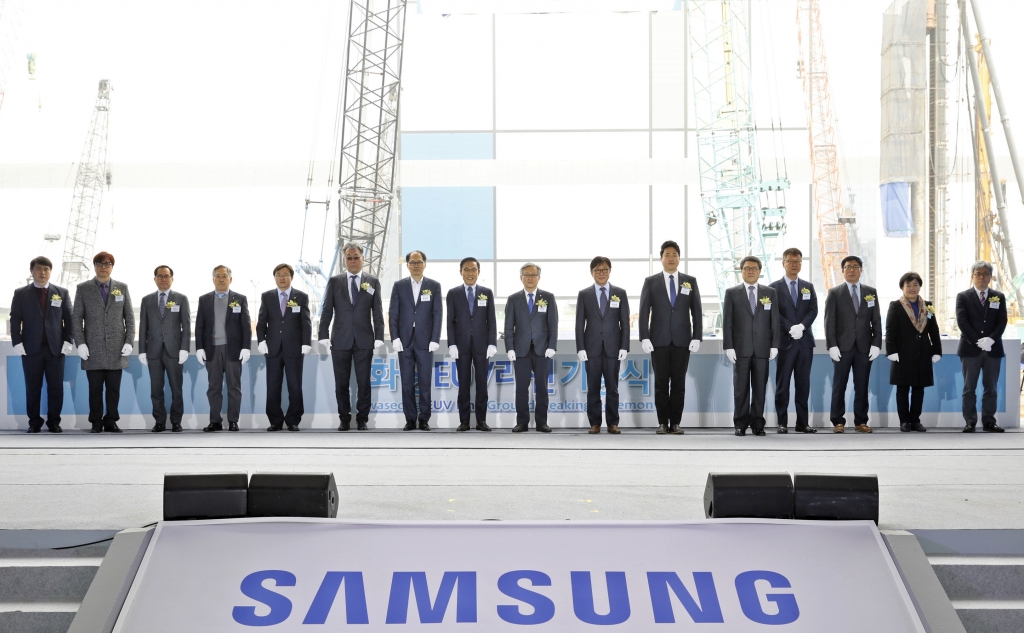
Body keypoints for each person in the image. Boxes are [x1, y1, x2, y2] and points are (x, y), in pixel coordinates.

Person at [318, 243, 385, 431]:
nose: (353, 260)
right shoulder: (334, 281)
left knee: (364, 383)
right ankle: (344, 419)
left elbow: (377, 311)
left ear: (363, 258)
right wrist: (323, 333)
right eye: (349, 257)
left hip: (364, 340)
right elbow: (326, 310)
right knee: (341, 383)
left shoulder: (372, 281)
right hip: (340, 340)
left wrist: (379, 335)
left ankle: (362, 419)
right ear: (344, 259)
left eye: (356, 257)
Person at [638, 240, 702, 435]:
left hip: (683, 341)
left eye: (674, 255)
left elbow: (696, 311)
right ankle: (662, 423)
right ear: (661, 258)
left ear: (679, 258)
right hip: (658, 341)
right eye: (667, 255)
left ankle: (675, 423)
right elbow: (643, 311)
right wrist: (644, 337)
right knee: (661, 383)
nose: (671, 258)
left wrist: (697, 336)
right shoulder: (651, 282)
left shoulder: (690, 281)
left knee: (679, 384)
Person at [72, 252, 135, 433]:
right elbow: (76, 318)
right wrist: (81, 343)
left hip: (117, 349)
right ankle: (96, 422)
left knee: (114, 389)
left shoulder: (122, 288)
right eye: (99, 263)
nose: (103, 267)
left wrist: (129, 341)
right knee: (95, 389)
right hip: (93, 348)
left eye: (107, 264)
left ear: (112, 267)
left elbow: (130, 317)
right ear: (94, 266)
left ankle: (111, 420)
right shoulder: (83, 288)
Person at [10, 256, 74, 433]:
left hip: (56, 349)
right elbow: (15, 319)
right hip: (30, 349)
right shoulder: (21, 293)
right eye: (38, 269)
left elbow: (69, 319)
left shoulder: (62, 292)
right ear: (32, 271)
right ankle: (34, 423)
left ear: (50, 271)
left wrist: (68, 340)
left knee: (56, 388)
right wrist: (17, 342)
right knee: (32, 388)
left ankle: (54, 422)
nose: (42, 272)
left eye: (46, 269)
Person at [824, 255, 882, 433]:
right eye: (848, 267)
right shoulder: (835, 293)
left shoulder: (871, 292)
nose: (851, 270)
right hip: (842, 348)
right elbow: (829, 322)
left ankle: (861, 421)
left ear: (861, 270)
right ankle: (838, 421)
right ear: (842, 271)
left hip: (864, 348)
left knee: (862, 386)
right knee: (839, 385)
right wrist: (832, 345)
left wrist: (876, 344)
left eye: (855, 267)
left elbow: (876, 320)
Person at [722, 256, 780, 436]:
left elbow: (775, 321)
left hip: (763, 348)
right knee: (740, 389)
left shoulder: (770, 293)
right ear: (741, 271)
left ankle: (757, 423)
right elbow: (727, 322)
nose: (751, 271)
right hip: (740, 347)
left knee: (760, 388)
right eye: (747, 268)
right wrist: (728, 346)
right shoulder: (732, 293)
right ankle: (740, 423)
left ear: (760, 271)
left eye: (754, 268)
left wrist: (774, 345)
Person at [575, 256, 630, 434]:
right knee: (593, 388)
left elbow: (625, 322)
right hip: (591, 348)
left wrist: (624, 346)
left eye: (604, 269)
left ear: (610, 271)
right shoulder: (584, 294)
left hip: (613, 348)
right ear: (591, 273)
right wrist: (580, 347)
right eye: (597, 270)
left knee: (612, 388)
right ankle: (595, 423)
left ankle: (613, 423)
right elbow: (579, 323)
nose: (601, 273)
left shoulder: (620, 293)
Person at [389, 251, 443, 431]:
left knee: (425, 381)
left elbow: (437, 314)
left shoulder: (434, 286)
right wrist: (395, 337)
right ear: (407, 265)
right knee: (407, 382)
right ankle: (410, 419)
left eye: (419, 262)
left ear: (425, 264)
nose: (416, 265)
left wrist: (435, 338)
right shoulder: (399, 286)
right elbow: (393, 313)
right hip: (404, 340)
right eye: (412, 262)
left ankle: (424, 419)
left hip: (425, 341)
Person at [195, 265, 251, 432]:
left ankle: (233, 421)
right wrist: (199, 348)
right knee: (214, 388)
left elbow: (246, 326)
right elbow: (199, 326)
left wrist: (246, 347)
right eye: (218, 276)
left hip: (233, 350)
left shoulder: (240, 299)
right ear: (213, 279)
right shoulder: (204, 299)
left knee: (234, 387)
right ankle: (215, 421)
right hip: (212, 349)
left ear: (230, 279)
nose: (221, 279)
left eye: (224, 276)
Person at [256, 264, 311, 432]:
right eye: (278, 275)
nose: (282, 277)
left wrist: (306, 343)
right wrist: (261, 341)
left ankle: (293, 420)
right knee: (273, 387)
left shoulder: (301, 297)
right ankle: (275, 421)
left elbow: (306, 322)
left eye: (285, 274)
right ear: (274, 278)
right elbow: (261, 322)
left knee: (295, 386)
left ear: (291, 277)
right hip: (272, 349)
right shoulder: (267, 296)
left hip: (294, 348)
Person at [504, 263, 558, 432]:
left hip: (542, 349)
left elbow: (553, 324)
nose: (530, 278)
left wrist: (552, 346)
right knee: (521, 388)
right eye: (526, 275)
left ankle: (542, 422)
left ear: (538, 277)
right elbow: (508, 326)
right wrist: (509, 348)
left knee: (542, 387)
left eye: (533, 275)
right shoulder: (513, 299)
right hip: (521, 350)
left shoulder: (548, 297)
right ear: (521, 278)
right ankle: (522, 422)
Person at [769, 248, 818, 434]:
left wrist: (802, 327)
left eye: (797, 261)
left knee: (803, 385)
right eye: (790, 261)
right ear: (783, 263)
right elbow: (773, 313)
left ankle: (802, 423)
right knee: (782, 385)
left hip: (805, 343)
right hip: (785, 342)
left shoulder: (808, 286)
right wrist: (791, 327)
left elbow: (813, 310)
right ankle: (782, 422)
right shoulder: (773, 288)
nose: (794, 264)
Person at [884, 272, 942, 432]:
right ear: (902, 288)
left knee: (919, 388)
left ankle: (915, 420)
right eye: (908, 285)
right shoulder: (895, 306)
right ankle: (904, 421)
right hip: (902, 354)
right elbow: (890, 331)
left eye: (915, 285)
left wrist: (937, 350)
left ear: (920, 287)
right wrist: (891, 351)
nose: (912, 288)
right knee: (902, 388)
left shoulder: (927, 306)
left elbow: (934, 330)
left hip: (922, 353)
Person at [446, 257, 497, 431]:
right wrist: (452, 344)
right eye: (466, 270)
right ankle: (464, 421)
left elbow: (491, 320)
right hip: (461, 345)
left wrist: (492, 343)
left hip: (482, 345)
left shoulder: (486, 292)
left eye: (473, 270)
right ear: (461, 272)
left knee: (482, 384)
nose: (470, 273)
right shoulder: (453, 293)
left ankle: (481, 421)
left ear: (478, 272)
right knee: (463, 384)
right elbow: (450, 321)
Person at [955, 260, 1007, 432]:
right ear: (972, 276)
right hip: (970, 349)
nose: (981, 277)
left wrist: (990, 340)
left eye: (985, 274)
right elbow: (962, 321)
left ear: (991, 277)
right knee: (969, 388)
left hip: (993, 349)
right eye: (978, 274)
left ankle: (989, 421)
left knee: (991, 388)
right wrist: (978, 340)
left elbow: (1002, 321)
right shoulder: (963, 296)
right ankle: (970, 421)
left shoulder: (998, 296)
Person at [138, 265, 191, 433]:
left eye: (166, 276)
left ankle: (176, 422)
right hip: (153, 350)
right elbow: (143, 327)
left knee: (176, 389)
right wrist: (142, 350)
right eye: (160, 276)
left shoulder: (181, 298)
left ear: (172, 279)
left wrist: (184, 348)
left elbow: (186, 326)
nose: (163, 279)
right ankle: (159, 421)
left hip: (174, 351)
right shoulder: (147, 300)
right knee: (156, 389)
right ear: (154, 279)